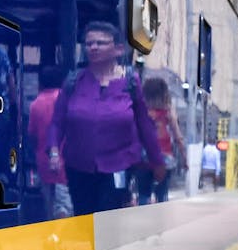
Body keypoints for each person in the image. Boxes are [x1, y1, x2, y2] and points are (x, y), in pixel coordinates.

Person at [46, 20, 165, 214]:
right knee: (84, 220)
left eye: (100, 43)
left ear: (118, 49)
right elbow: (57, 123)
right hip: (79, 167)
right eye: (89, 43)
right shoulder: (74, 81)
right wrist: (53, 152)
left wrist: (157, 161)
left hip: (118, 165)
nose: (93, 47)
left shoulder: (130, 82)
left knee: (108, 220)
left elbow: (145, 125)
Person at [28, 66, 72, 217]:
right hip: (66, 160)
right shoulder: (67, 100)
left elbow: (32, 135)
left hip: (44, 160)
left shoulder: (35, 105)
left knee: (49, 203)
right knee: (64, 202)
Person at [135, 77, 185, 204]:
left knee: (143, 194)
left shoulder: (141, 112)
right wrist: (185, 159)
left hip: (143, 157)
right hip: (165, 158)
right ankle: (161, 220)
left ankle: (142, 219)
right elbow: (178, 137)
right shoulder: (168, 113)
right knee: (162, 195)